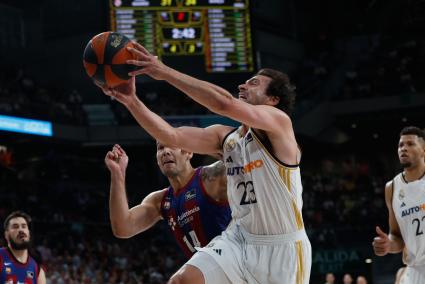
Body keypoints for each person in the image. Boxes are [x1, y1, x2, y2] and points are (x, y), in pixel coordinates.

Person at [96, 42, 312, 284]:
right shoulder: (225, 138)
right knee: (181, 281)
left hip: (282, 248)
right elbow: (172, 136)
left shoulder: (280, 124)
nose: (242, 85)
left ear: (273, 100)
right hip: (239, 240)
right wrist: (131, 101)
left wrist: (164, 71)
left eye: (254, 83)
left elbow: (224, 104)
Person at [105, 143, 231, 258]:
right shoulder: (160, 201)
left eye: (172, 145)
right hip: (206, 274)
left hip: (236, 265)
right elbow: (123, 228)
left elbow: (242, 155)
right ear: (158, 161)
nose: (165, 151)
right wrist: (117, 174)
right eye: (160, 148)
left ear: (189, 152)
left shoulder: (213, 176)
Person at [372, 126, 425, 284]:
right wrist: (388, 245)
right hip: (415, 270)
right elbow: (397, 236)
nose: (404, 148)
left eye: (410, 144)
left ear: (423, 150)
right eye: (401, 145)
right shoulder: (392, 187)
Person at [1, 211, 46, 284]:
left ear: (29, 233)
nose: (21, 230)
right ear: (6, 235)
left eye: (24, 226)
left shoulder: (38, 270)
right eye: (15, 227)